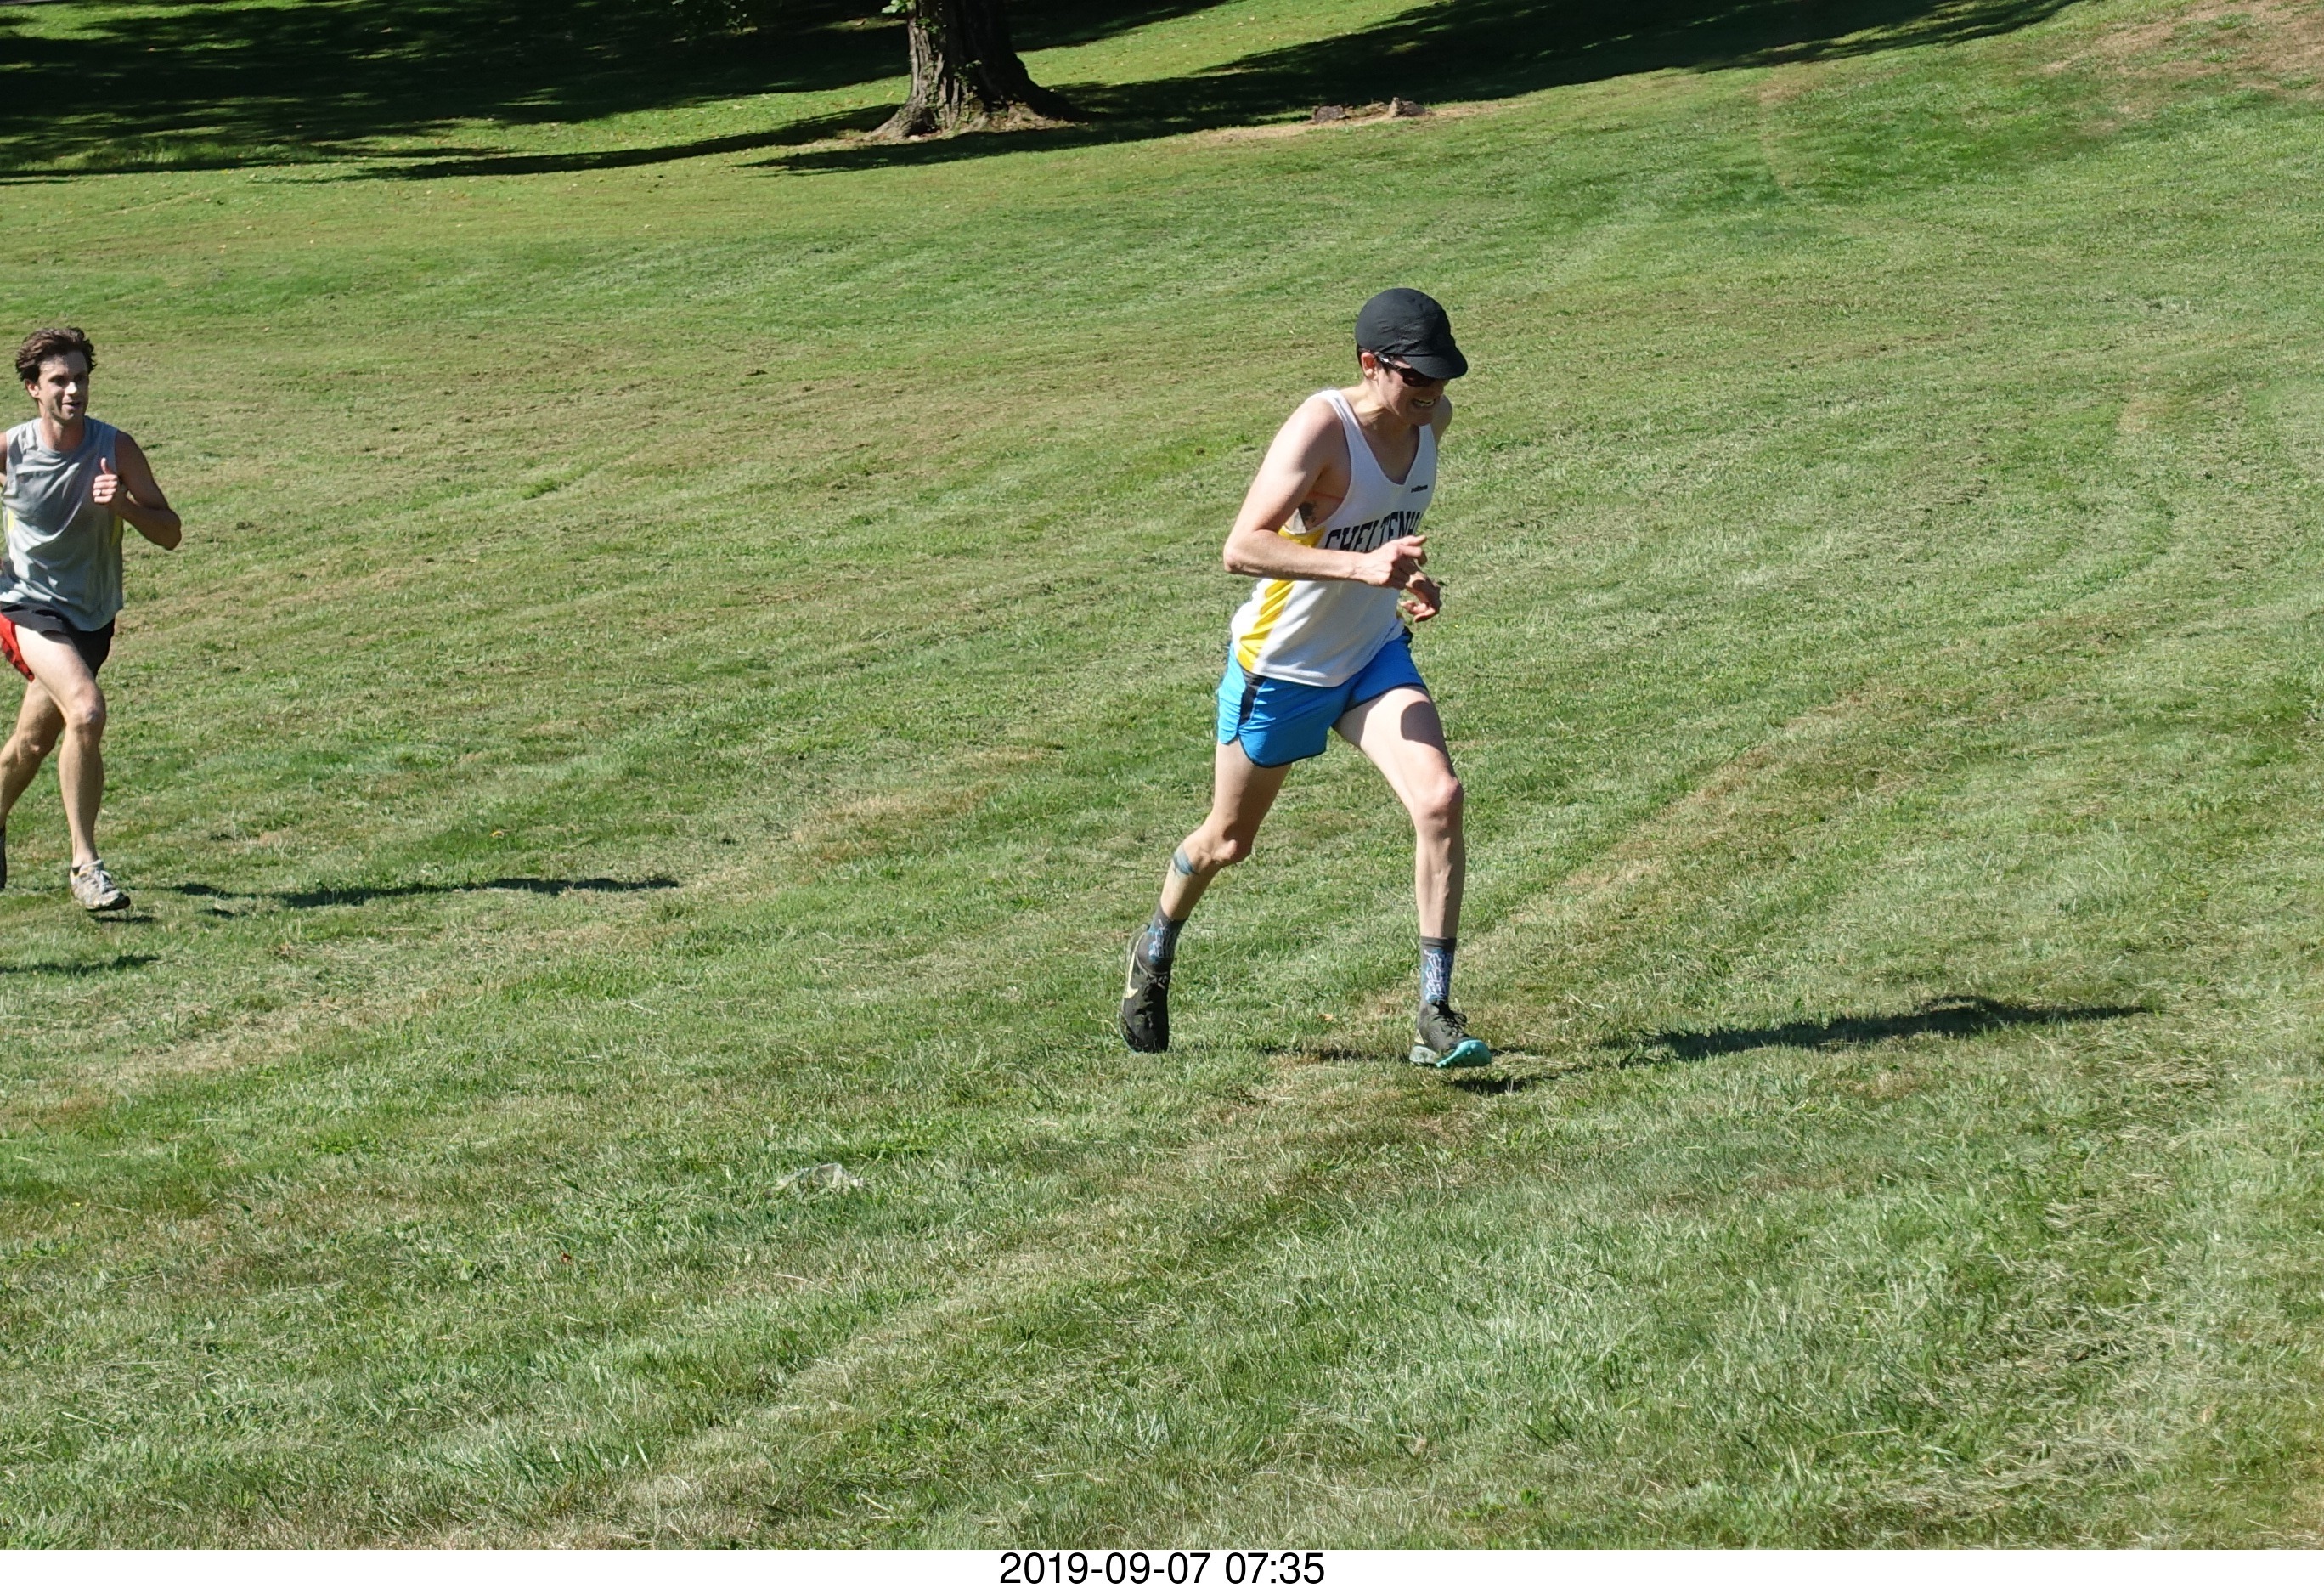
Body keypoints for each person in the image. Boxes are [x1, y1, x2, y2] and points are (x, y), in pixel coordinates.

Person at [1120, 288, 1490, 1069]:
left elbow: (1381, 534)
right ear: (1370, 363)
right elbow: (1242, 548)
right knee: (1227, 842)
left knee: (1440, 799)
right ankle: (1154, 948)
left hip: (1371, 656)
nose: (1433, 391)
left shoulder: (1431, 422)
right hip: (1282, 668)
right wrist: (1364, 567)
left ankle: (1434, 1013)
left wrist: (1405, 579)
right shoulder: (1323, 427)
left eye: (1442, 375)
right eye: (1416, 376)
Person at [0, 327, 182, 911]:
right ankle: (86, 866)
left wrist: (123, 505)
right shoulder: (9, 451)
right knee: (86, 710)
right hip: (26, 606)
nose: (73, 391)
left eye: (80, 378)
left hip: (91, 617)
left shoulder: (115, 447)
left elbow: (170, 533)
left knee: (32, 744)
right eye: (59, 380)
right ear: (33, 388)